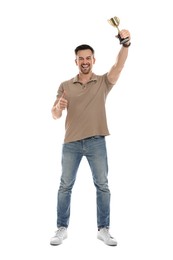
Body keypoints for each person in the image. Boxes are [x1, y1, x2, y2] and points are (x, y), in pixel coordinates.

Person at [50, 29, 131, 246]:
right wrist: (59, 106)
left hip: (97, 142)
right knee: (65, 186)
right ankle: (61, 228)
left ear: (93, 60)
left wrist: (125, 45)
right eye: (81, 59)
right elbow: (55, 115)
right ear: (75, 61)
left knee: (102, 185)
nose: (84, 61)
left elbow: (118, 66)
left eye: (88, 58)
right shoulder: (66, 85)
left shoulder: (103, 82)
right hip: (71, 143)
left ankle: (103, 229)